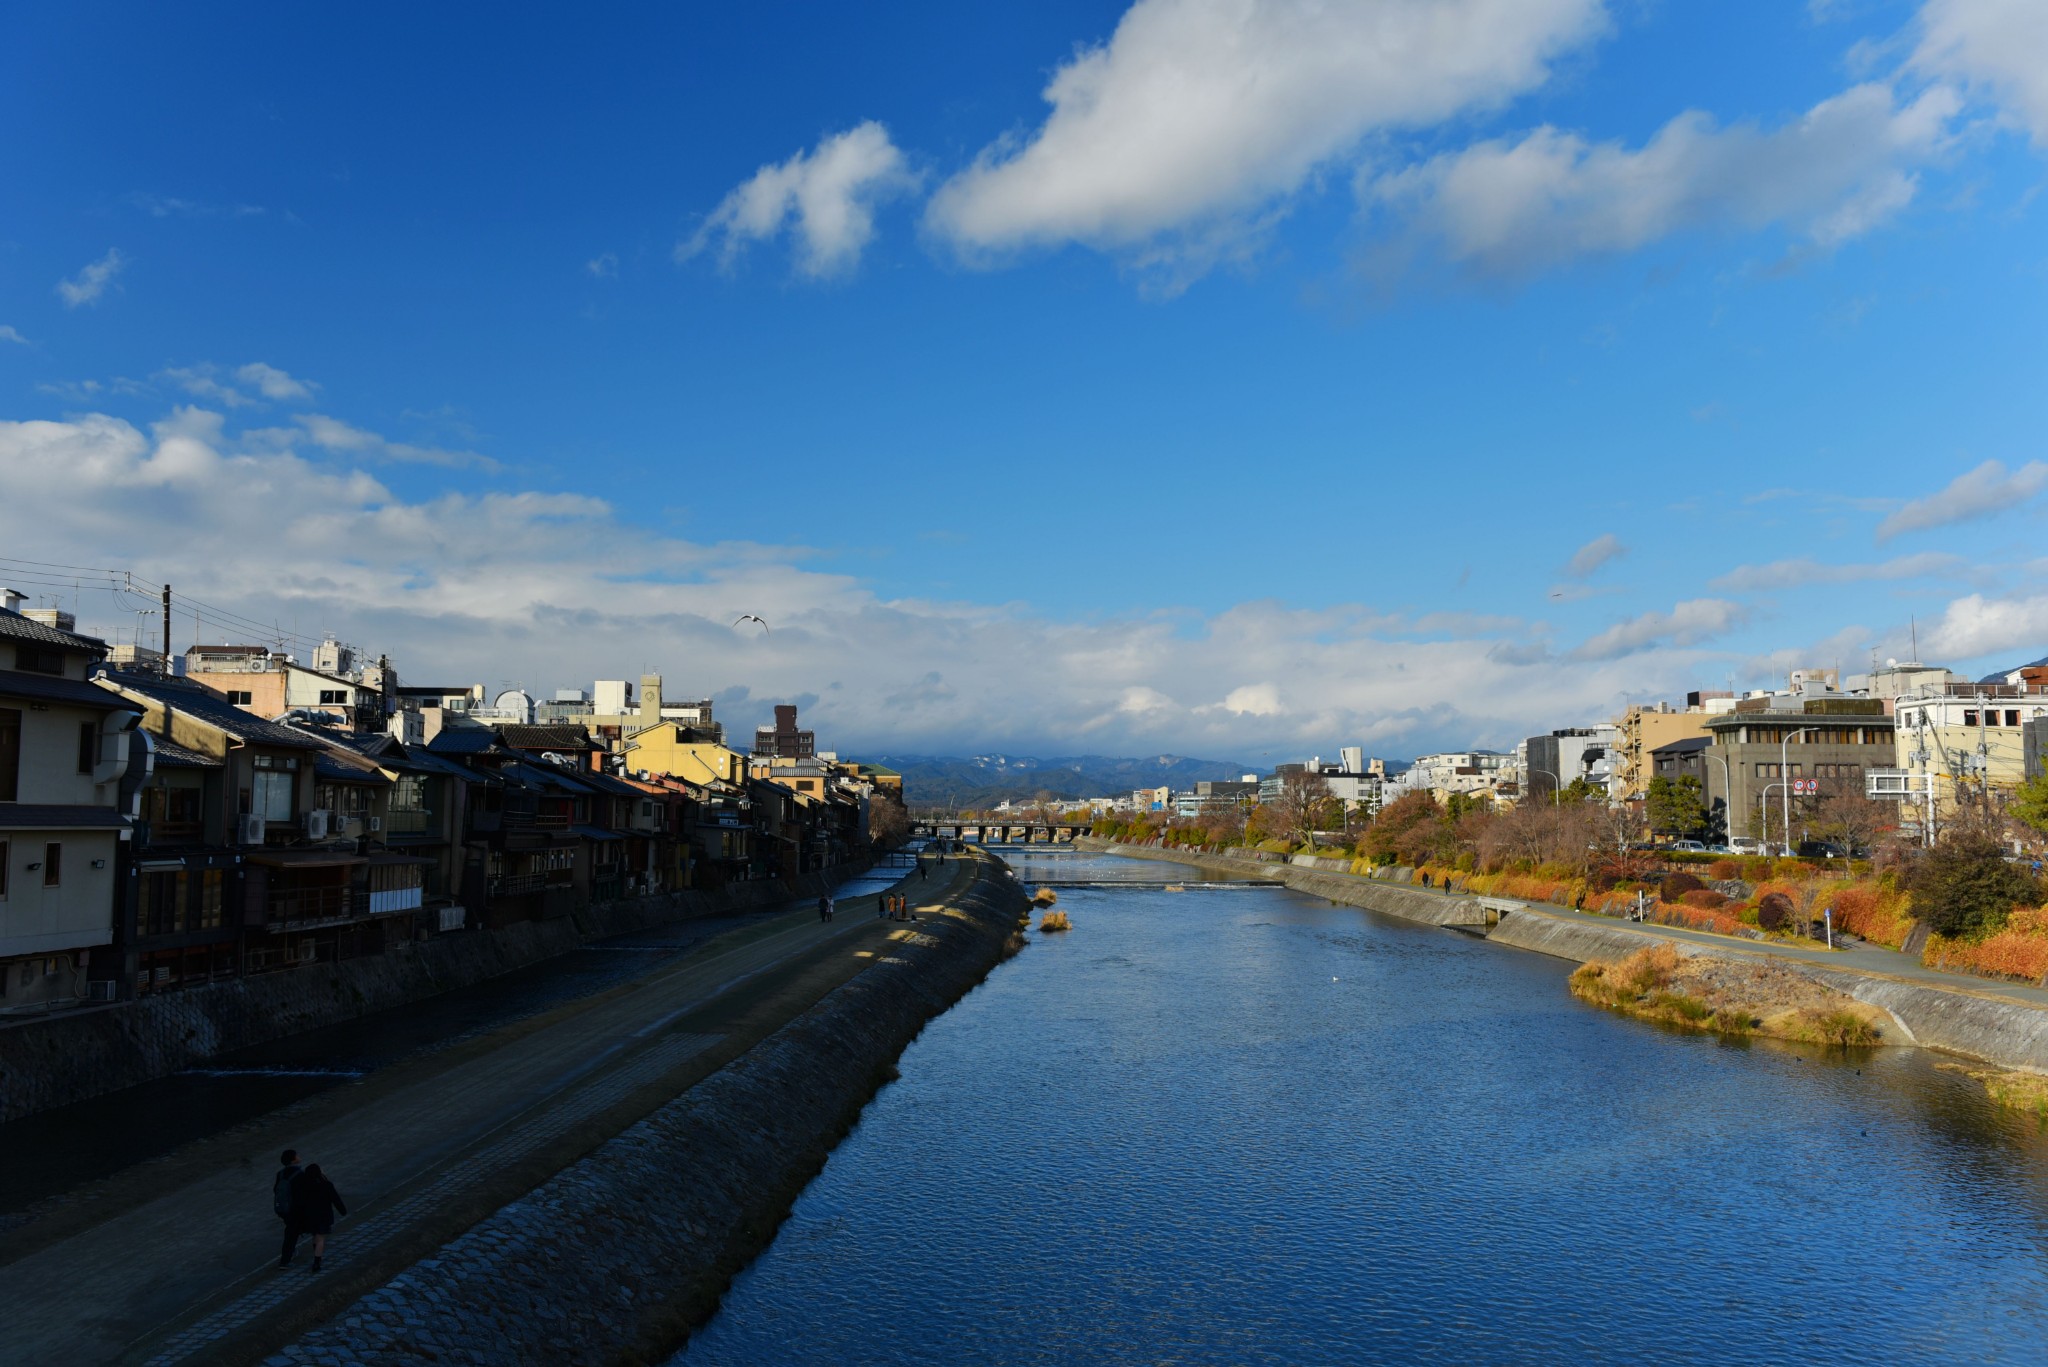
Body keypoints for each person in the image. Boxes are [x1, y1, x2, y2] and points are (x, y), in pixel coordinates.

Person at [281, 1162, 346, 1271]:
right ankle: (317, 1261)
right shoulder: (326, 1184)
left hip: (309, 1217)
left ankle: (316, 1255)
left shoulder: (304, 1186)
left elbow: (299, 1202)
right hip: (323, 1217)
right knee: (320, 1238)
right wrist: (343, 1211)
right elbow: (336, 1199)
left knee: (315, 1236)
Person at [273, 1149, 303, 1267]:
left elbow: (275, 1190)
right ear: (293, 1159)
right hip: (294, 1209)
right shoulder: (299, 1174)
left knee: (291, 1230)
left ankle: (291, 1252)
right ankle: (285, 1261)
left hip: (283, 1209)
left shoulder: (280, 1174)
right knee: (292, 1233)